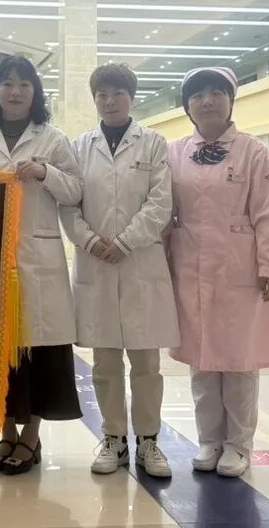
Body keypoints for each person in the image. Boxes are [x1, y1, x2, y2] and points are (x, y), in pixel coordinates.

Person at [0, 55, 83, 476]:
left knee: (38, 349)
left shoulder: (53, 139)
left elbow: (75, 191)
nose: (15, 92)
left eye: (24, 84)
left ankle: (31, 436)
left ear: (35, 92)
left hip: (38, 258)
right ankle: (6, 432)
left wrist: (45, 172)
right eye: (7, 83)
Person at [60, 63, 179, 478]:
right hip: (96, 263)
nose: (109, 101)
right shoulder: (79, 146)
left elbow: (161, 203)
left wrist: (126, 241)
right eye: (102, 95)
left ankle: (149, 441)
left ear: (132, 97)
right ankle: (114, 438)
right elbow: (68, 204)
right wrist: (91, 242)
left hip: (140, 262)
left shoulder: (154, 143)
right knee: (105, 363)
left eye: (118, 93)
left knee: (146, 364)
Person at [167, 67, 269, 478]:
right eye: (197, 94)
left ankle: (238, 444)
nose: (207, 100)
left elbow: (267, 212)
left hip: (240, 267)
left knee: (238, 359)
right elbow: (166, 212)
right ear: (187, 106)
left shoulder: (252, 151)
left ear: (230, 100)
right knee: (201, 360)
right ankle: (209, 440)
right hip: (190, 266)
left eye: (216, 92)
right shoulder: (175, 152)